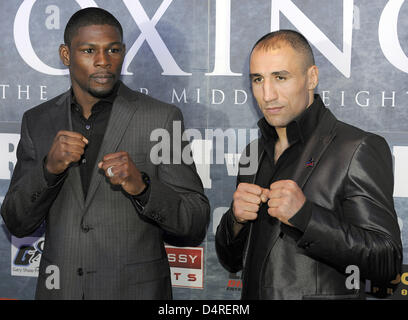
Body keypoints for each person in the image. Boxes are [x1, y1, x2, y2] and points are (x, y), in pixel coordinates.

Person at [1, 7, 210, 300]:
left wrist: (143, 188)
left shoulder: (160, 118)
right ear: (66, 55)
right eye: (88, 50)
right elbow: (16, 220)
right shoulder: (38, 121)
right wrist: (49, 170)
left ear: (122, 52)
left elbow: (195, 220)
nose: (103, 61)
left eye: (112, 50)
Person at [215, 30, 402, 300]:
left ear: (311, 77)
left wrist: (306, 216)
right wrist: (235, 220)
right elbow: (231, 261)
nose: (267, 95)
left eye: (280, 77)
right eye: (258, 79)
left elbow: (387, 262)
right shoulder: (253, 153)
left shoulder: (356, 148)